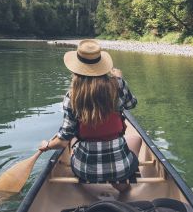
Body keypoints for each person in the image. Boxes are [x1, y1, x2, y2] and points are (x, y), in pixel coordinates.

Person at [39, 39, 141, 191]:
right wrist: (119, 79)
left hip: (85, 170)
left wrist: (47, 145)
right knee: (135, 142)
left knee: (73, 136)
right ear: (102, 65)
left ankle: (82, 190)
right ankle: (123, 190)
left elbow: (62, 141)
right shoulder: (118, 84)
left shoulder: (72, 96)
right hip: (120, 168)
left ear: (75, 69)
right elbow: (131, 104)